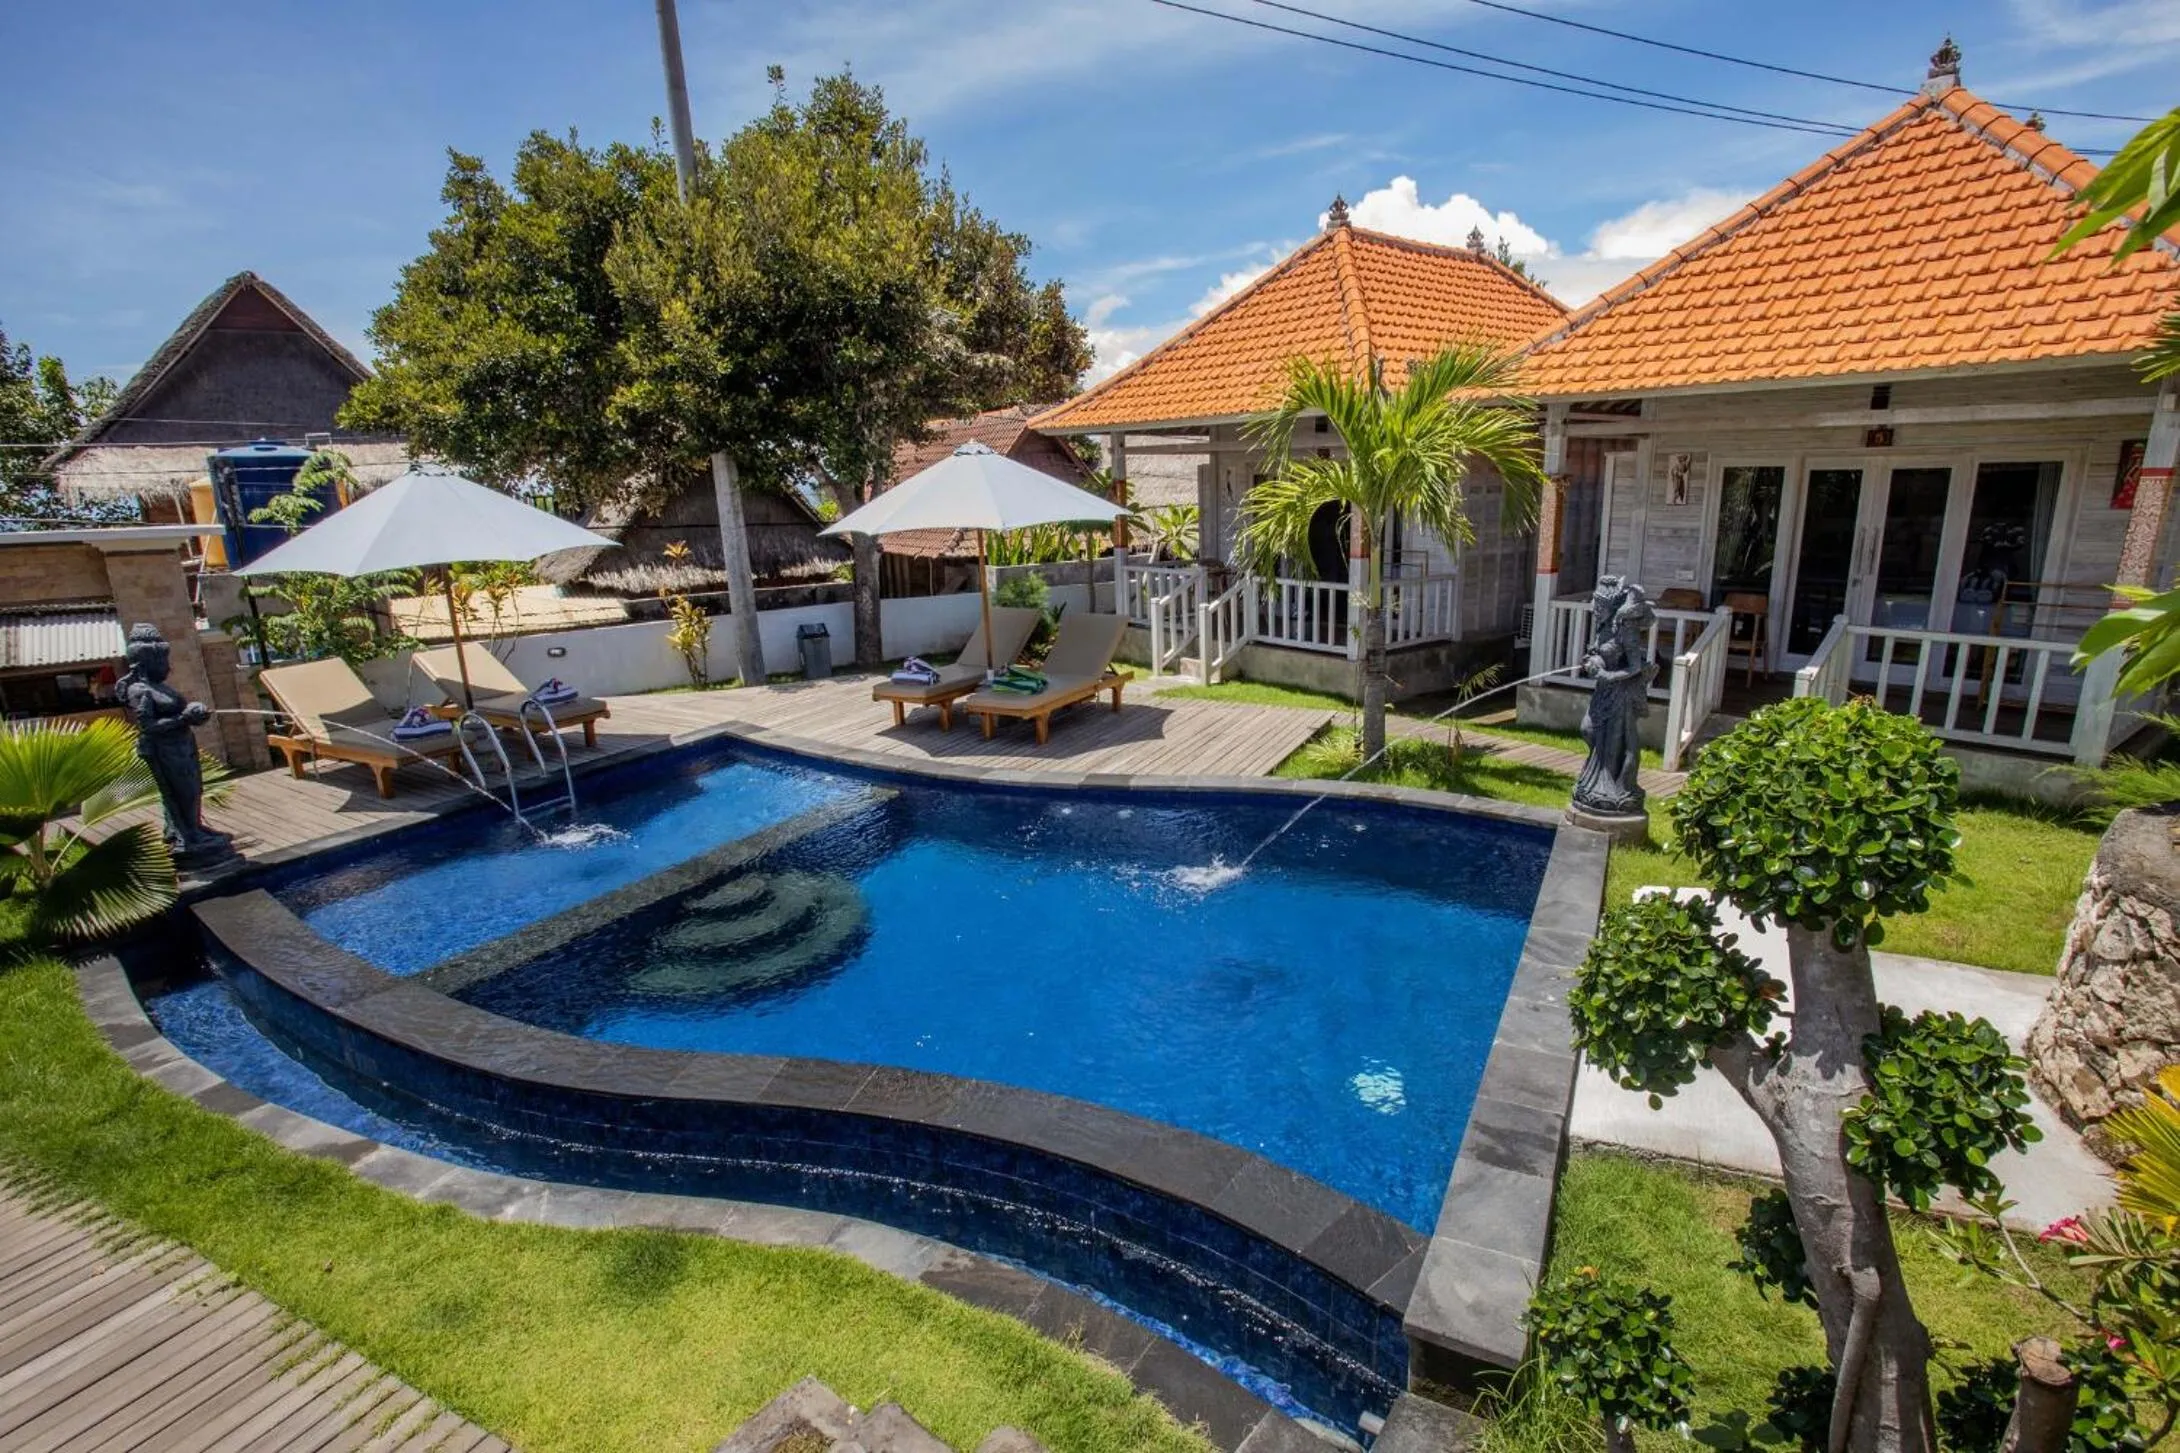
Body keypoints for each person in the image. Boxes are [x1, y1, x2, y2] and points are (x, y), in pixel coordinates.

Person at [117, 624, 231, 858]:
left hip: (183, 746)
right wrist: (183, 718)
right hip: (165, 750)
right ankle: (185, 834)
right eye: (162, 661)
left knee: (193, 789)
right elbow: (148, 727)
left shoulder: (159, 687)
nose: (167, 667)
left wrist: (194, 712)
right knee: (181, 792)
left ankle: (194, 827)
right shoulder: (140, 690)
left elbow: (179, 713)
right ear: (146, 663)